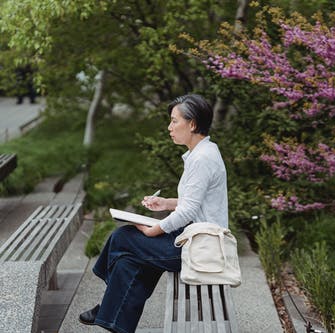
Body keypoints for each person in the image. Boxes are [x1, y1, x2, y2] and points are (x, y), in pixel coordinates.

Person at [78, 94, 228, 333]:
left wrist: (154, 229)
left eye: (174, 121)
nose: (169, 128)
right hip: (194, 238)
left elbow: (189, 209)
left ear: (192, 124)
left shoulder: (202, 158)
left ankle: (108, 303)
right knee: (129, 260)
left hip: (199, 248)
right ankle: (114, 321)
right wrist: (166, 203)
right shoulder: (204, 152)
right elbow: (196, 203)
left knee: (123, 237)